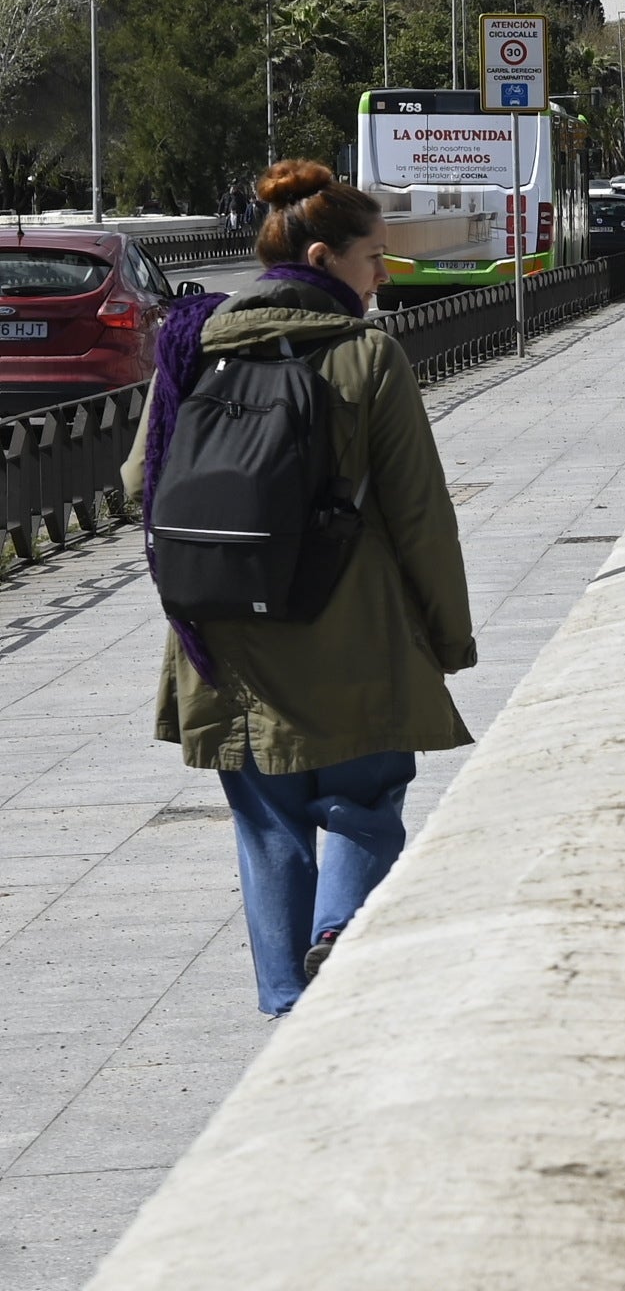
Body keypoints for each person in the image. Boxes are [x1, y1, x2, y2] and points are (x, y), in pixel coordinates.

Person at [126, 160, 479, 1015]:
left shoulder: (193, 342)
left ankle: (287, 1005)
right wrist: (448, 635)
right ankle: (341, 935)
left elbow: (141, 480)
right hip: (351, 631)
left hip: (225, 642)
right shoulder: (366, 356)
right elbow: (422, 517)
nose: (384, 276)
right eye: (373, 260)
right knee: (366, 796)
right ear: (324, 259)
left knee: (269, 829)